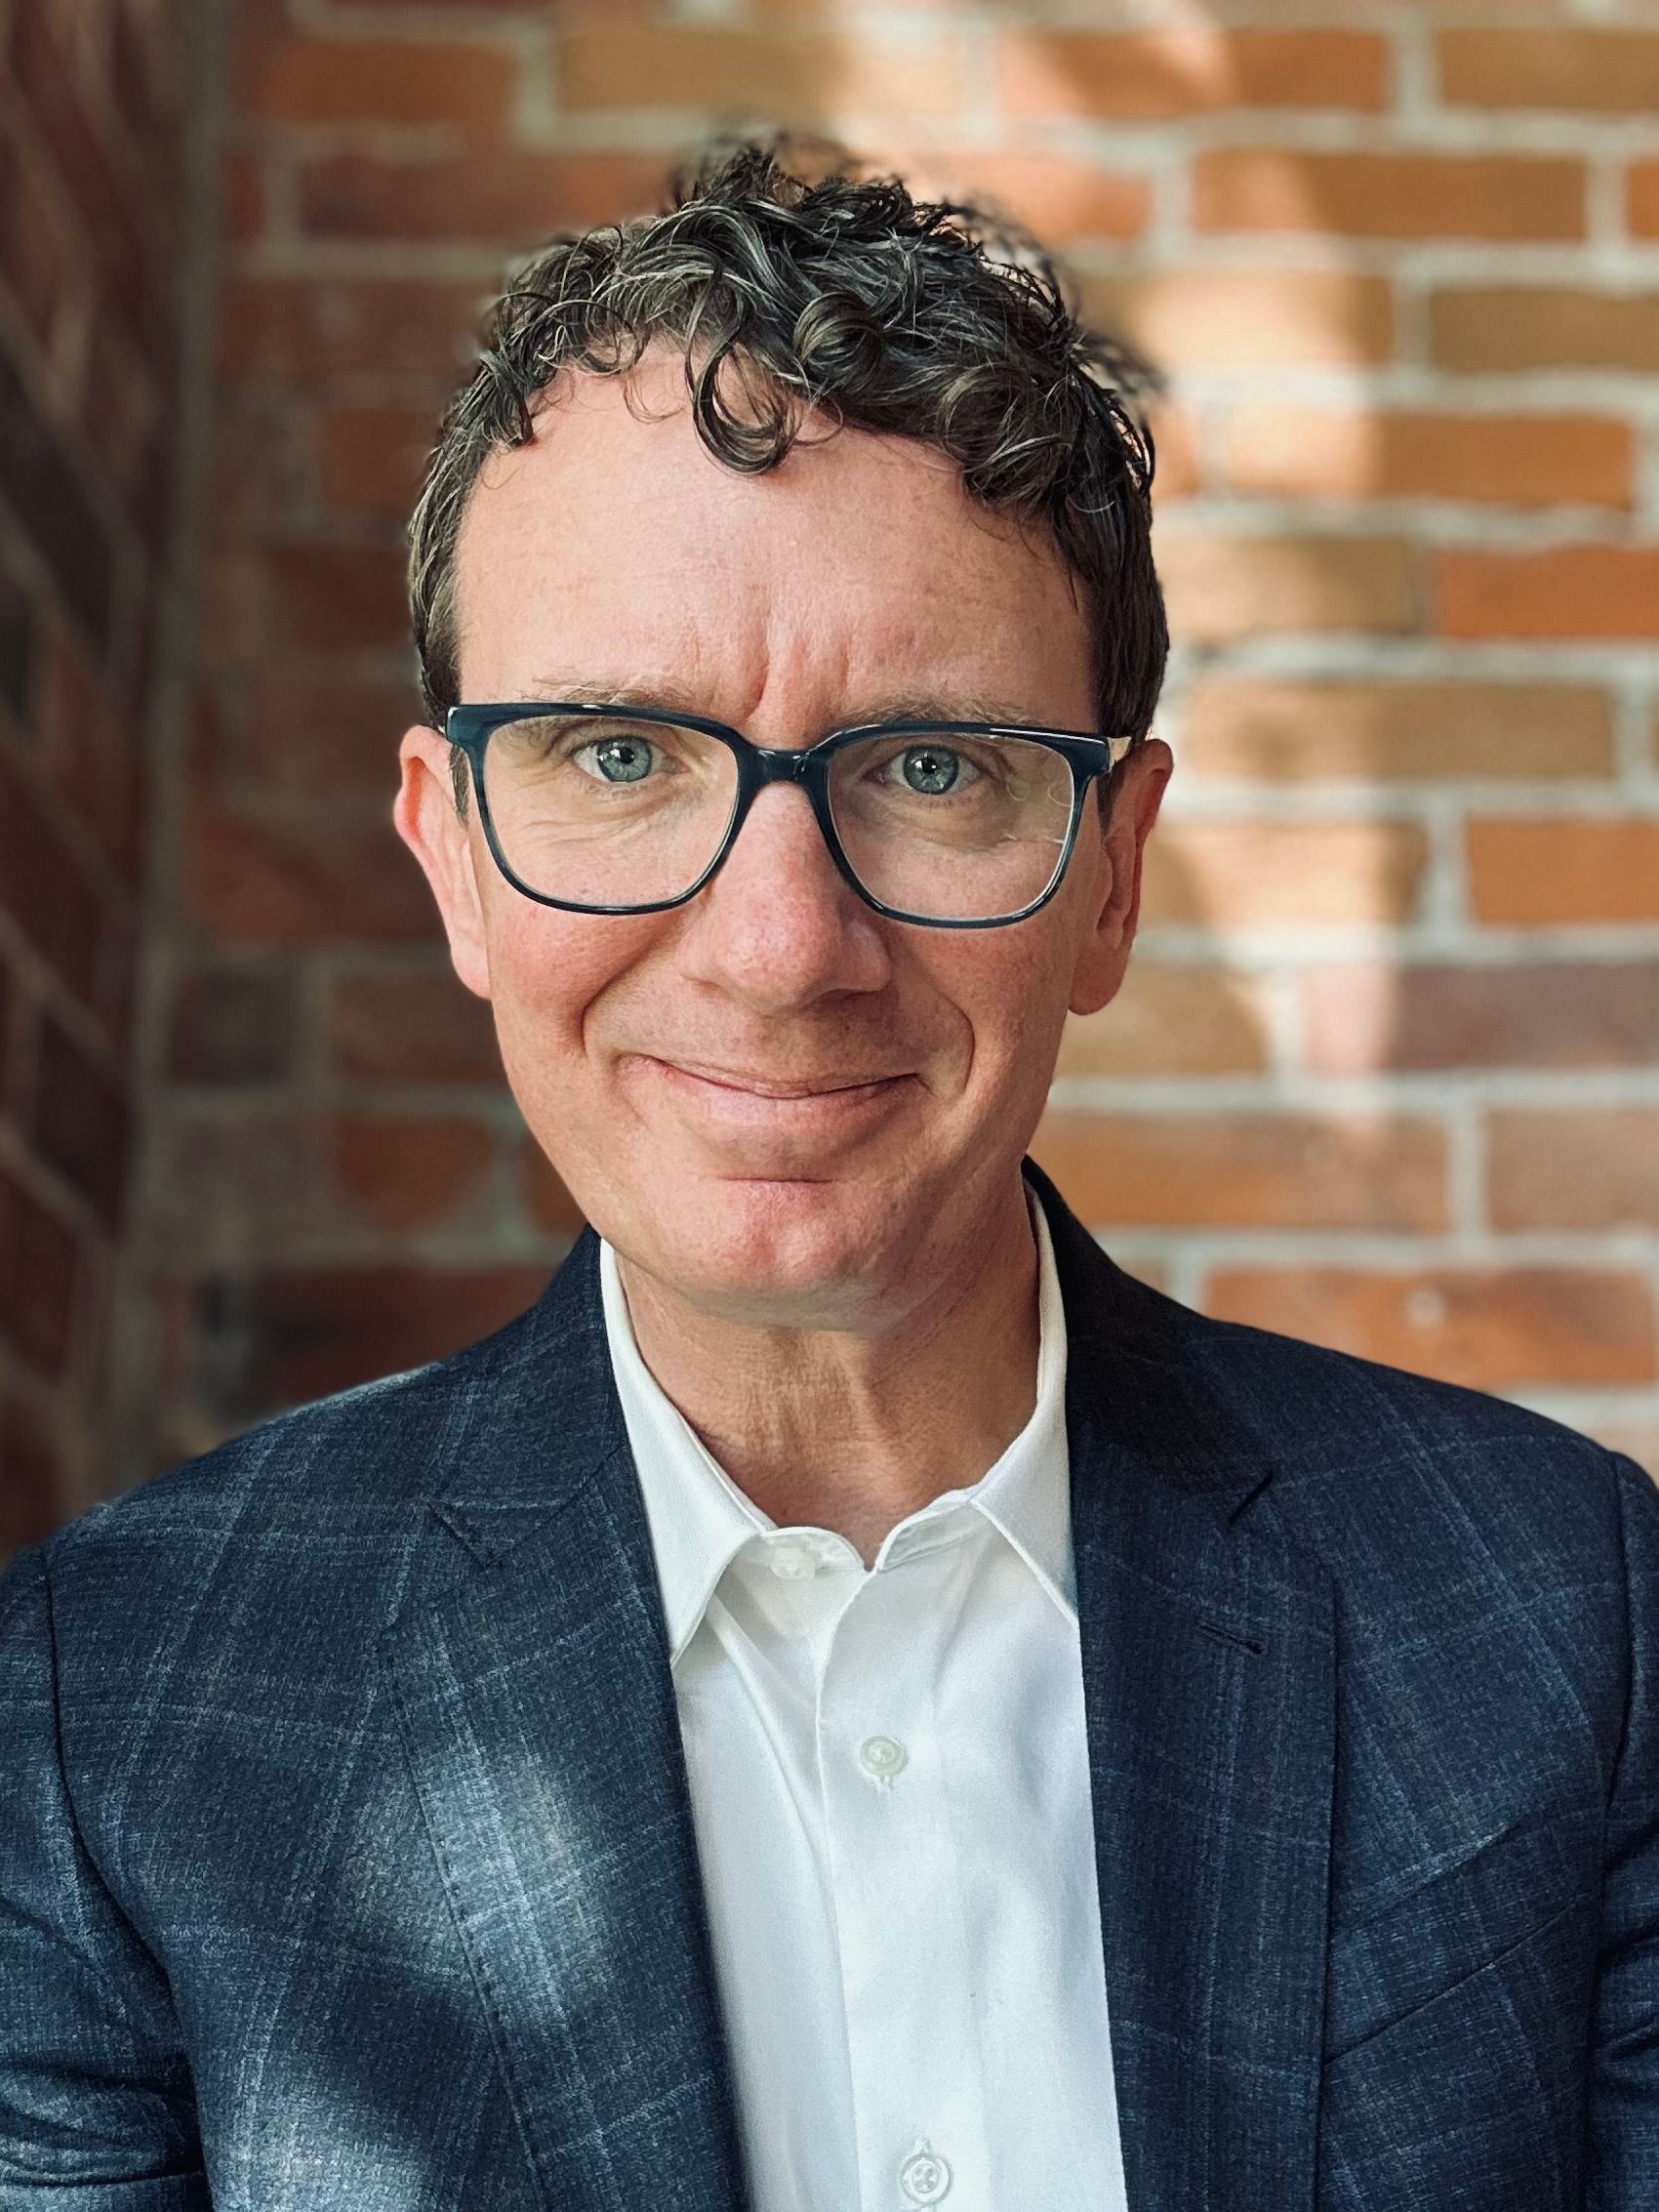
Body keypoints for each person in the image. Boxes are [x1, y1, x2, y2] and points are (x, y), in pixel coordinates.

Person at [1, 137, 1653, 2212]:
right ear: (452, 861)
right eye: (619, 756)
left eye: (934, 767)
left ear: (1111, 875)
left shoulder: (1564, 1620)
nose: (782, 947)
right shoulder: (106, 1706)